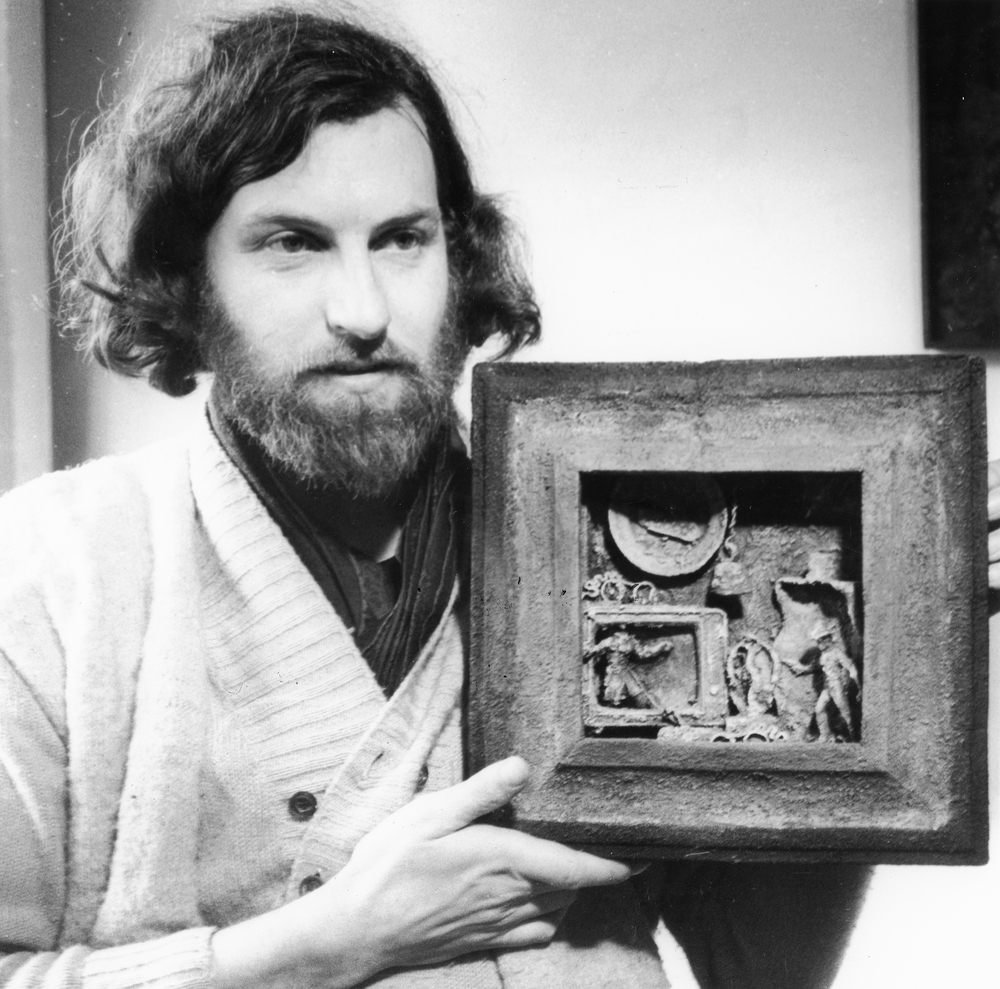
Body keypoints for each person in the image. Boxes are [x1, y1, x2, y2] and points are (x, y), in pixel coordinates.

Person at [0, 6, 971, 989]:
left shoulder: (604, 540)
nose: (363, 311)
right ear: (185, 281)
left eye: (401, 239)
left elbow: (755, 966)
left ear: (459, 261)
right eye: (293, 242)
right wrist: (325, 946)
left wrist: (879, 688)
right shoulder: (49, 573)